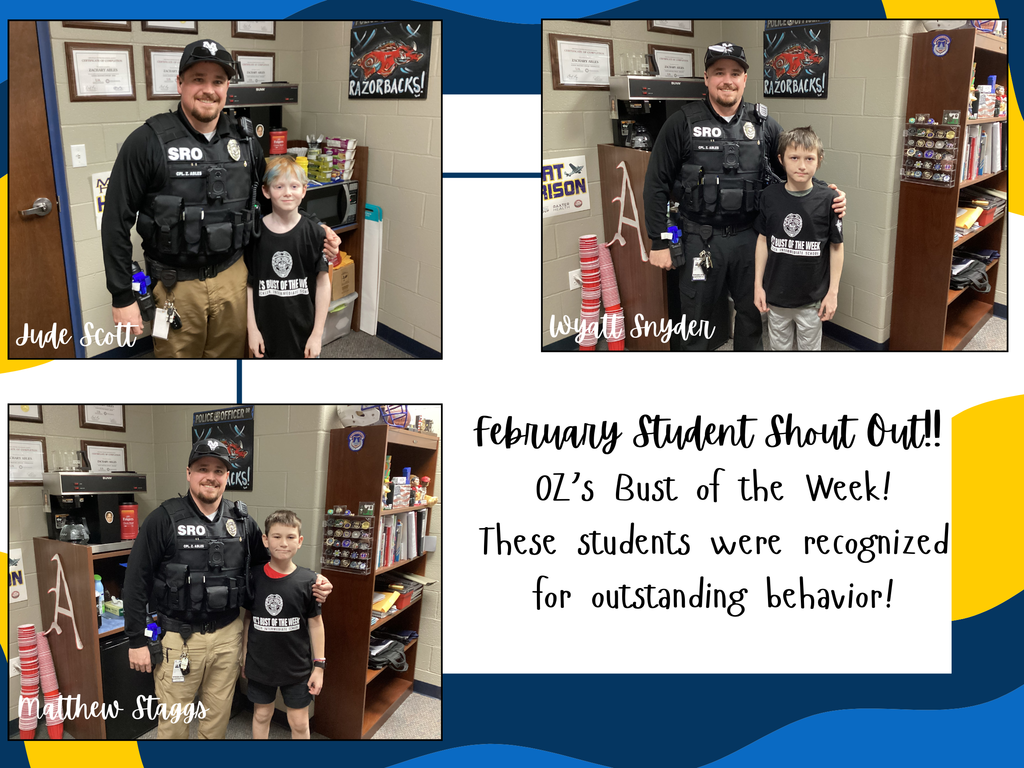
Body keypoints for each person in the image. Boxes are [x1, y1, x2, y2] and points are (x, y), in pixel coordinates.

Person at [101, 38, 340, 358]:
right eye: (198, 79)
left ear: (228, 87)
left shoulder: (245, 140)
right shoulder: (147, 141)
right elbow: (116, 219)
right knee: (176, 368)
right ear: (180, 83)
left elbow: (273, 195)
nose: (208, 89)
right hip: (173, 287)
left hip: (234, 278)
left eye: (218, 81)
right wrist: (122, 296)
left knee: (231, 365)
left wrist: (316, 228)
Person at [123, 439, 332, 739]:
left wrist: (316, 581)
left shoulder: (243, 521)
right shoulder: (163, 519)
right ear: (189, 473)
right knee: (174, 726)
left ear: (227, 477)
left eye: (219, 470)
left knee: (217, 721)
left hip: (227, 637)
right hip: (179, 638)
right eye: (203, 469)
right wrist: (136, 640)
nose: (211, 476)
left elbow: (274, 568)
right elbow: (135, 581)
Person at [643, 42, 846, 351]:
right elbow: (656, 185)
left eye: (735, 73)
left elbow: (795, 162)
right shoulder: (682, 123)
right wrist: (660, 241)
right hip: (699, 238)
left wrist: (826, 192)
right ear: (707, 78)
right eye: (719, 72)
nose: (728, 80)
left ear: (745, 78)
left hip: (750, 239)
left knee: (751, 315)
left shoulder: (763, 124)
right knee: (695, 316)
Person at [754, 127, 844, 350]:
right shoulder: (769, 197)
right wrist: (758, 285)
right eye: (794, 157)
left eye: (809, 158)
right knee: (778, 349)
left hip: (812, 301)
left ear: (819, 160)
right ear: (781, 159)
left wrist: (833, 293)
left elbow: (836, 247)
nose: (801, 165)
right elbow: (763, 241)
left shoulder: (830, 200)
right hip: (777, 297)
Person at [241, 510, 325, 739]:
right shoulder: (253, 577)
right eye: (276, 537)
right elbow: (249, 617)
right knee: (261, 716)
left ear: (299, 541)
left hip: (297, 668)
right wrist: (244, 655)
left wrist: (319, 666)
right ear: (265, 540)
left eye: (290, 537)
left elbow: (316, 624)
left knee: (299, 722)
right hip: (260, 665)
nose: (283, 543)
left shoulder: (309, 581)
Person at [246, 156, 332, 358]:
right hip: (266, 334)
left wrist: (317, 334)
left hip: (304, 334)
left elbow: (323, 284)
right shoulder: (255, 234)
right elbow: (249, 285)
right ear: (266, 191)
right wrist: (252, 329)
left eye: (294, 186)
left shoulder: (315, 234)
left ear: (304, 190)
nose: (287, 193)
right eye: (279, 187)